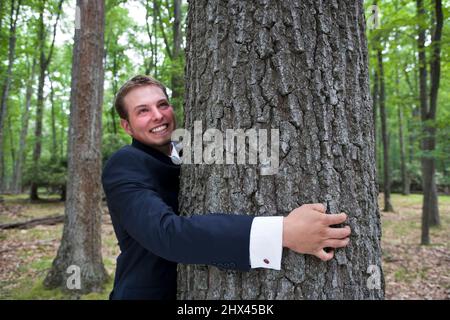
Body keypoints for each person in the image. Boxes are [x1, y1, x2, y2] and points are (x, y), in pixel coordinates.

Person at [102, 75, 351, 300]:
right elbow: (168, 234)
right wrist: (282, 232)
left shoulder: (192, 152)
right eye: (143, 111)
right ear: (127, 126)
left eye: (162, 104)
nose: (158, 115)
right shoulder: (125, 163)